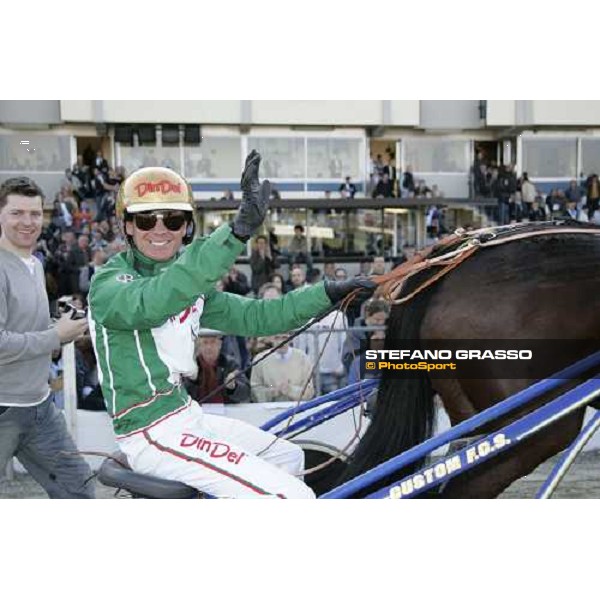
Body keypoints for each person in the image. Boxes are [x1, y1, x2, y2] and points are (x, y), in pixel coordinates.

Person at [87, 152, 376, 499]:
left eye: (173, 219)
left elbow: (259, 316)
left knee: (289, 456)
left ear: (187, 227)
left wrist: (328, 293)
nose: (160, 229)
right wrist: (236, 231)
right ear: (128, 226)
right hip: (150, 431)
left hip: (186, 416)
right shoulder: (110, 284)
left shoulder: (187, 283)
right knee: (293, 498)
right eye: (146, 219)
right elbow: (155, 301)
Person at [0, 176, 94, 498]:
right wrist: (55, 336)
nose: (27, 222)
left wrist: (63, 327)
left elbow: (30, 332)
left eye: (35, 213)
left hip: (39, 407)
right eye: (17, 213)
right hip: (3, 408)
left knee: (80, 490)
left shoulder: (36, 264)